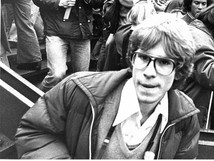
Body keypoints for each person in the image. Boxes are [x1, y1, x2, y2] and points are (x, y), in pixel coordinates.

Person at [15, 13, 200, 159]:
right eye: (143, 57)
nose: (150, 71)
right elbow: (35, 132)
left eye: (164, 62)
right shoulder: (78, 90)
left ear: (180, 70)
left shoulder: (184, 117)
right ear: (132, 58)